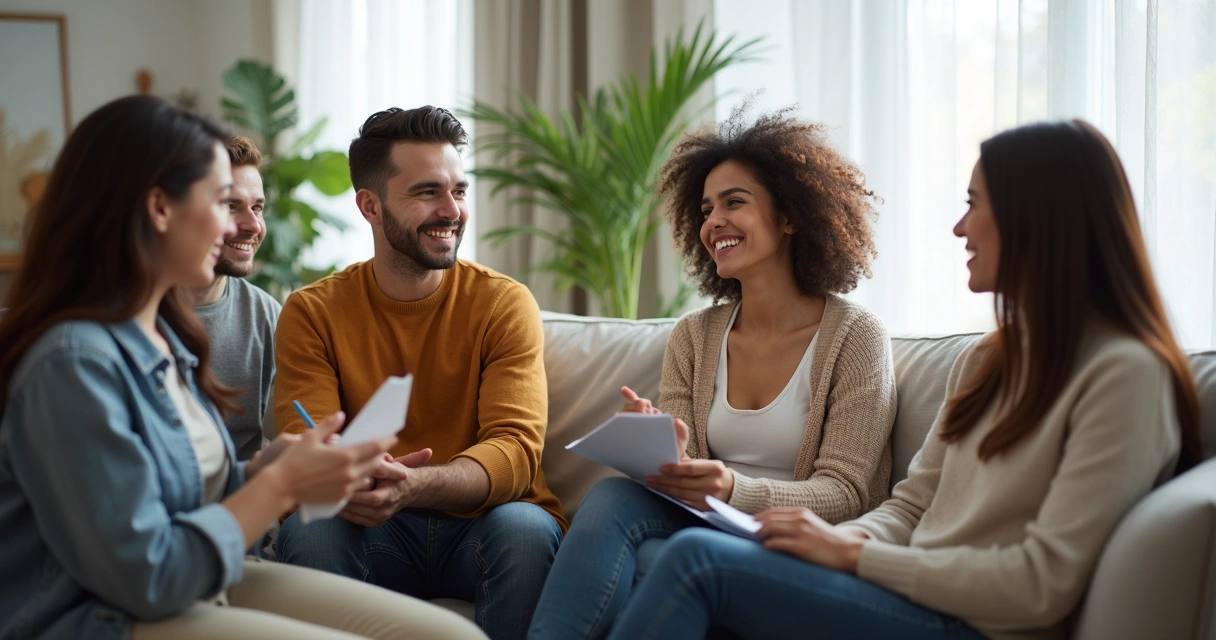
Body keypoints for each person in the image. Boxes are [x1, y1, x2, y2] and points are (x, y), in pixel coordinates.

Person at [602, 120, 1204, 640]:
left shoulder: (1127, 375)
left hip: (977, 625)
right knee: (675, 540)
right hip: (912, 595)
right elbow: (912, 504)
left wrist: (855, 553)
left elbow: (1040, 584)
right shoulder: (989, 360)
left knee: (696, 561)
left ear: (1036, 216)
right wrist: (820, 542)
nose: (959, 229)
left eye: (975, 204)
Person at [0, 95, 486, 640]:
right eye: (222, 201)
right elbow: (146, 575)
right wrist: (278, 487)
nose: (241, 227)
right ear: (160, 209)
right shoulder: (74, 363)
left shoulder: (164, 337)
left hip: (200, 578)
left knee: (452, 636)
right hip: (102, 614)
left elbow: (176, 490)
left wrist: (261, 469)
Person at [529, 107, 898, 639]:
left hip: (799, 540)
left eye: (734, 202)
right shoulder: (695, 337)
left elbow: (848, 495)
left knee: (664, 556)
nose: (713, 222)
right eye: (705, 209)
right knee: (613, 497)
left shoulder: (856, 337)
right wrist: (662, 448)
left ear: (791, 215)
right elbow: (683, 478)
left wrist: (732, 488)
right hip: (710, 523)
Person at [273, 106, 565, 640]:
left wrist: (414, 485)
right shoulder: (312, 312)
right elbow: (303, 443)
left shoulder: (503, 303)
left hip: (485, 524)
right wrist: (350, 476)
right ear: (370, 206)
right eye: (427, 192)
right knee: (311, 531)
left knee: (525, 530)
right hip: (369, 528)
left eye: (459, 190)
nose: (451, 210)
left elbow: (516, 451)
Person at [189, 136, 280, 461]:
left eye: (257, 207)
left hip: (249, 500)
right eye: (231, 206)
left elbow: (286, 427)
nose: (254, 225)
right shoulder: (135, 318)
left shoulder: (267, 314)